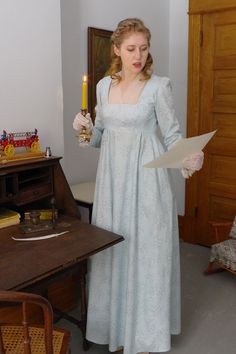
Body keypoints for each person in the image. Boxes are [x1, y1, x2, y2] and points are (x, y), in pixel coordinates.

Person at [73, 18, 203, 354]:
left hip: (148, 183)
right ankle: (117, 331)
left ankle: (144, 337)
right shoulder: (103, 87)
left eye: (144, 48)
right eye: (131, 49)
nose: (139, 55)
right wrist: (84, 129)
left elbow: (172, 136)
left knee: (146, 254)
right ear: (116, 49)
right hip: (113, 185)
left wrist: (189, 157)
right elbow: (98, 138)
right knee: (115, 251)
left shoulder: (159, 86)